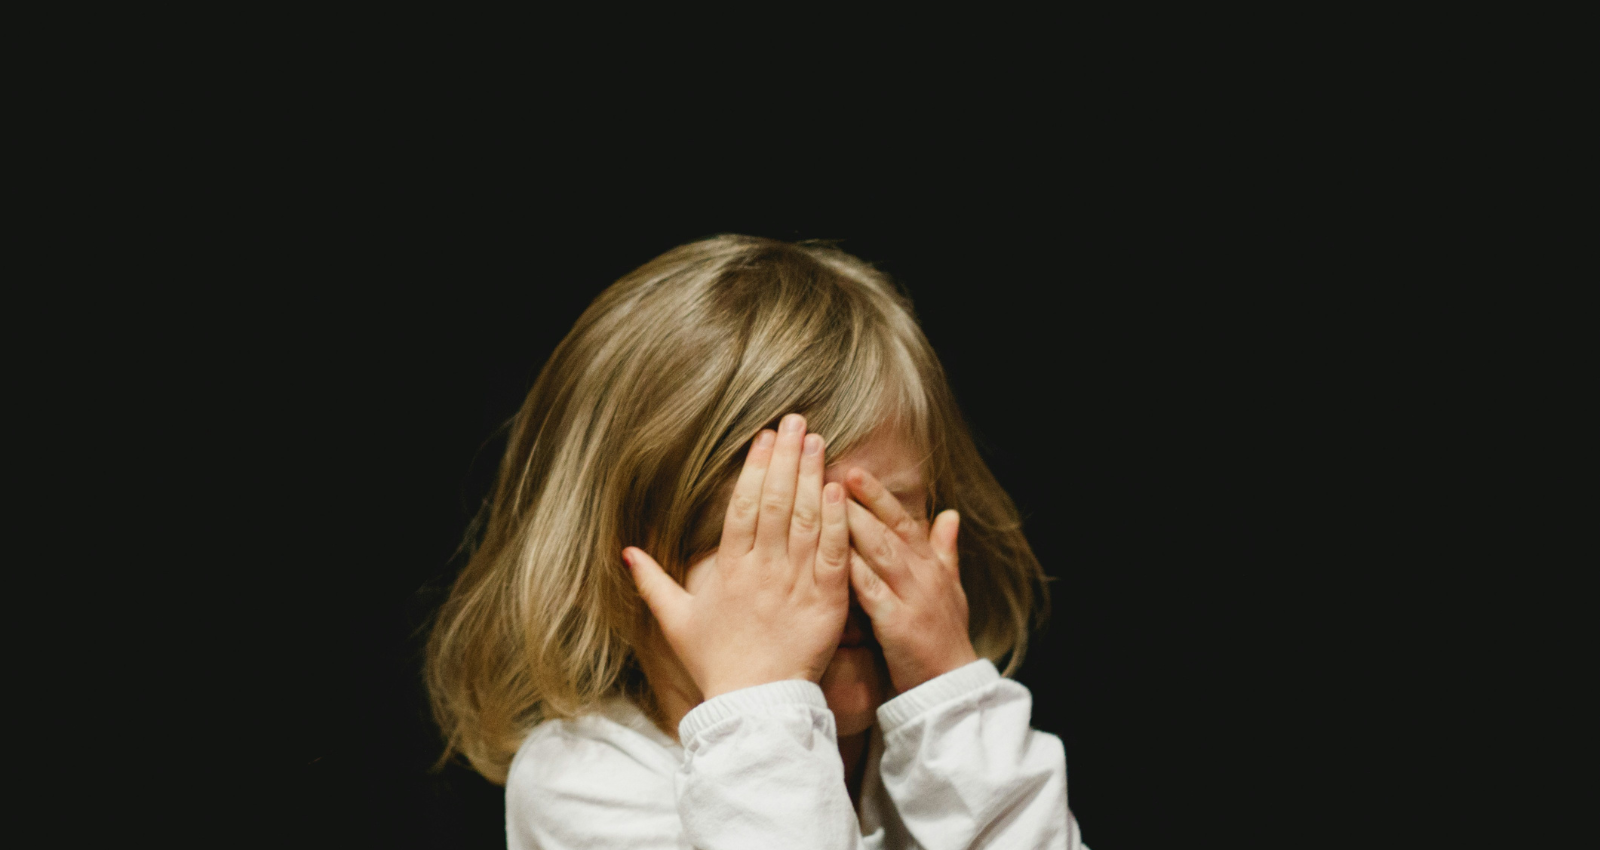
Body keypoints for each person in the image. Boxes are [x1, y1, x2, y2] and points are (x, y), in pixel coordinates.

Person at [425, 235, 1087, 848]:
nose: (835, 573)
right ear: (626, 565)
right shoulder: (583, 778)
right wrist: (762, 705)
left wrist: (953, 702)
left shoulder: (940, 747)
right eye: (776, 536)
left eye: (877, 520)